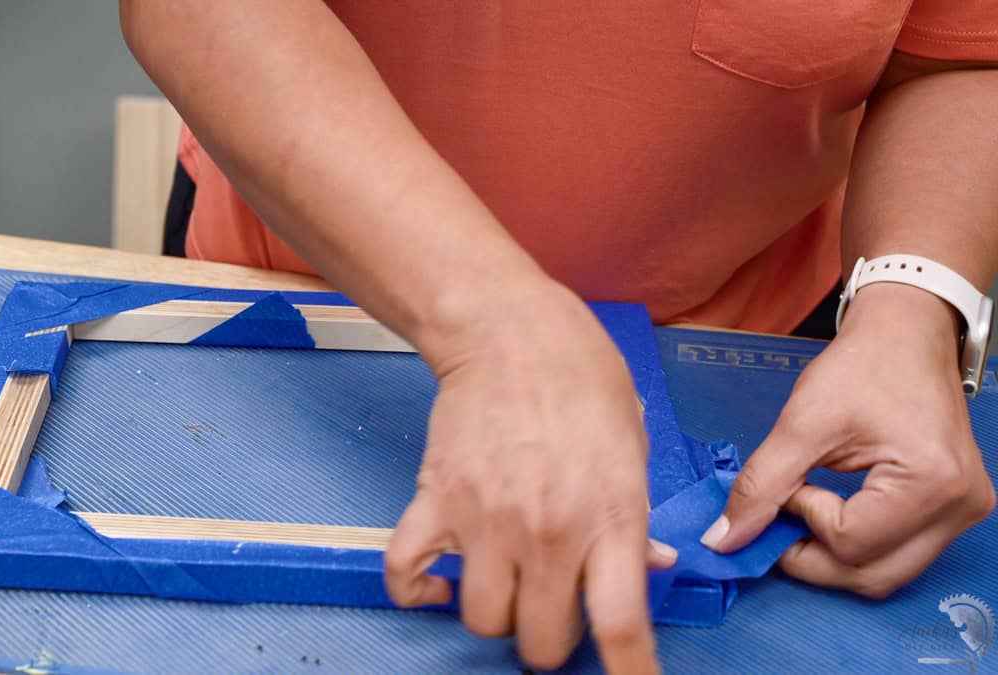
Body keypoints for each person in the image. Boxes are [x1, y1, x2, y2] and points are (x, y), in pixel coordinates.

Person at [120, 2, 998, 672]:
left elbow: (957, 54)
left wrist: (913, 300)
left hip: (751, 343)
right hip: (306, 297)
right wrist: (489, 319)